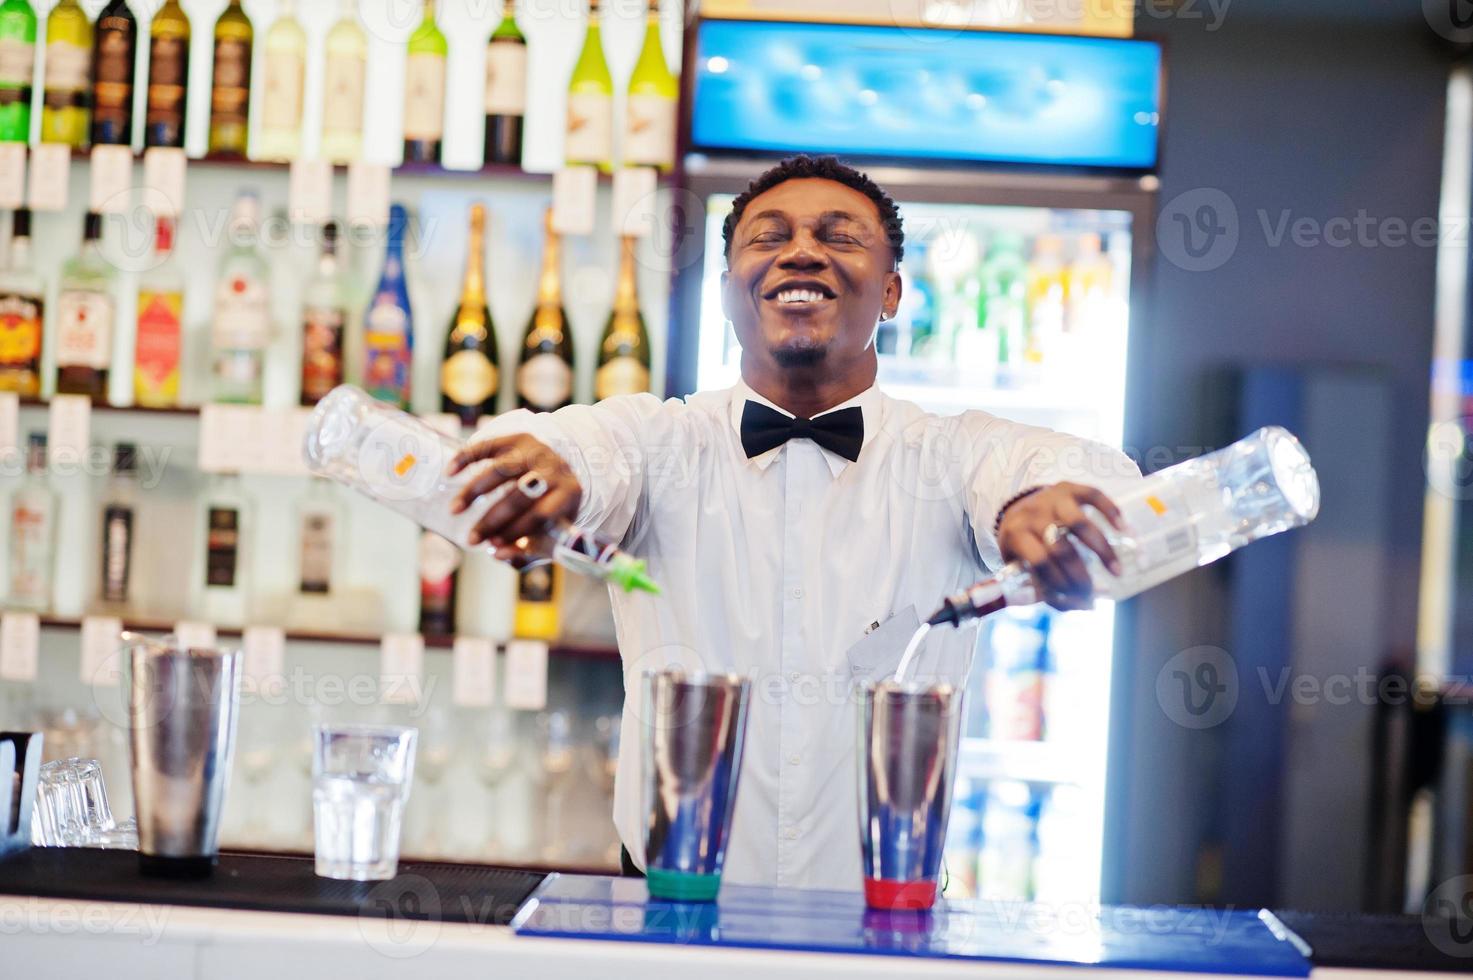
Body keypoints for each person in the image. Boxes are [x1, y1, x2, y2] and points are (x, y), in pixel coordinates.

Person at [451, 155, 1139, 891]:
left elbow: (1077, 472)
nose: (801, 250)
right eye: (767, 236)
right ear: (725, 294)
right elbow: (584, 446)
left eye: (840, 237)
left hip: (889, 925)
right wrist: (548, 467)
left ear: (891, 293)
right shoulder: (657, 441)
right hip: (669, 917)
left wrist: (1036, 504)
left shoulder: (953, 453)